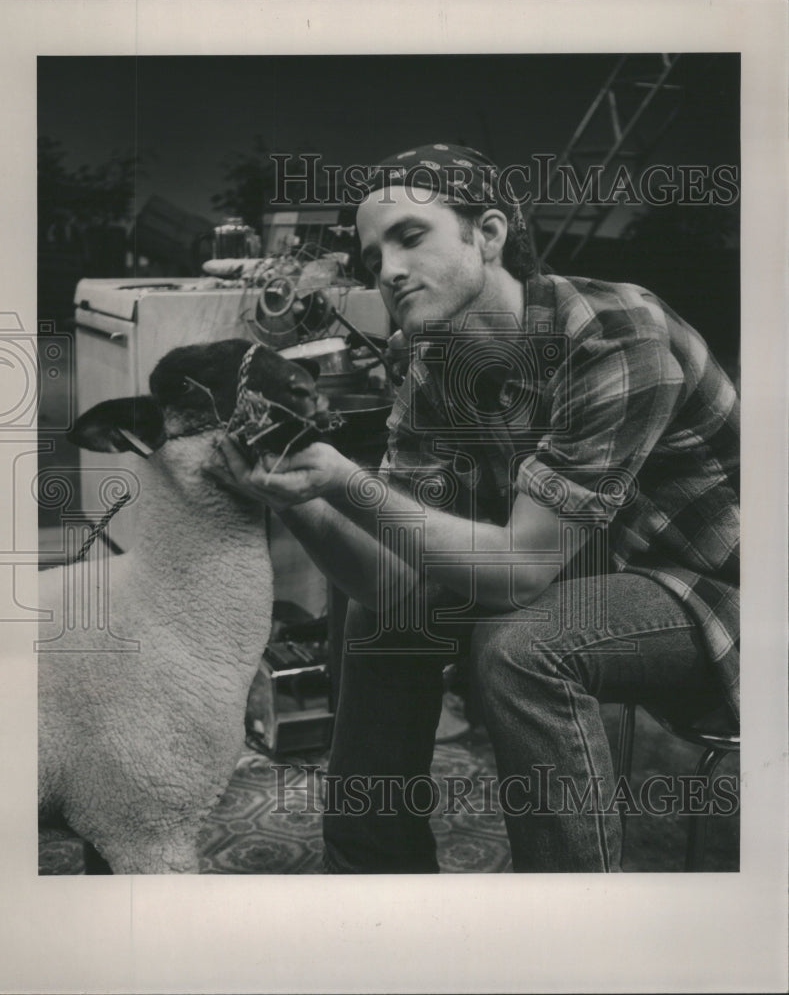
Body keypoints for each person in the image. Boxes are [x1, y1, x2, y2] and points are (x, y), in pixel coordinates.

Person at [208, 143, 740, 873]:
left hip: (712, 589)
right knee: (381, 622)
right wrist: (296, 493)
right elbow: (389, 586)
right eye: (372, 257)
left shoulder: (613, 334)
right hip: (582, 568)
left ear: (487, 234)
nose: (387, 270)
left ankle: (569, 925)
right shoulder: (436, 364)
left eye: (410, 236)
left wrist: (344, 481)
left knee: (521, 643)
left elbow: (519, 571)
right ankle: (372, 881)